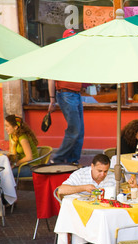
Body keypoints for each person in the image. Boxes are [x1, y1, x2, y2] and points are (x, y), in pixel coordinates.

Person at [58, 154, 136, 244]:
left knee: (114, 220)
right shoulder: (80, 174)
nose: (103, 174)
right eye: (99, 171)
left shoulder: (112, 176)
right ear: (92, 166)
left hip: (104, 212)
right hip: (82, 212)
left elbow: (121, 192)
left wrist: (130, 186)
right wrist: (84, 187)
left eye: (105, 171)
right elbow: (61, 190)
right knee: (79, 221)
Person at [48, 29, 84, 164]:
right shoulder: (59, 56)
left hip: (76, 94)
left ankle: (73, 160)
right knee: (74, 130)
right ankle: (57, 159)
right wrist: (52, 100)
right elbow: (50, 79)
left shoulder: (76, 57)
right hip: (66, 94)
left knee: (79, 132)